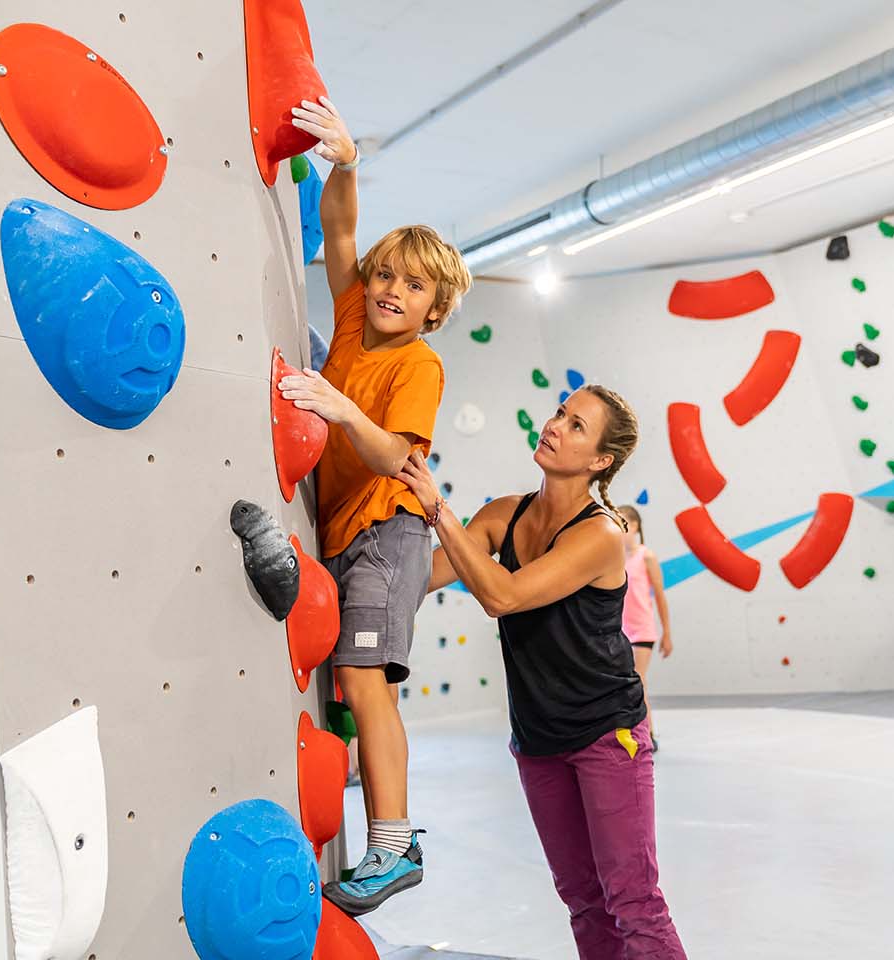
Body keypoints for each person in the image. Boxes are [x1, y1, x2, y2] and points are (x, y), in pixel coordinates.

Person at [397, 386, 688, 959]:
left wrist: (438, 507)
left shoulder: (602, 533)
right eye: (560, 414)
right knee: (581, 898)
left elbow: (502, 595)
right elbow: (416, 580)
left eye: (576, 426)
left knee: (634, 903)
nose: (555, 426)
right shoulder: (503, 516)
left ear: (600, 461)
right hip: (537, 740)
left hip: (608, 735)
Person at [281, 96, 471, 916]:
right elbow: (342, 231)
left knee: (365, 680)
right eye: (389, 275)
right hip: (341, 534)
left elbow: (399, 454)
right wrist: (347, 163)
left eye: (413, 284)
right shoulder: (355, 320)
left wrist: (336, 407)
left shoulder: (419, 365)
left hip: (386, 537)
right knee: (346, 691)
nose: (391, 288)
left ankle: (393, 847)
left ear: (436, 307)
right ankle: (369, 836)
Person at [617, 505, 672, 751]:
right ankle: (628, 730)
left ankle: (647, 731)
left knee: (638, 680)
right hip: (620, 630)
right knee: (623, 684)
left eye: (624, 523)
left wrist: (667, 633)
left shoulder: (645, 556)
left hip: (642, 629)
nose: (620, 529)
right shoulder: (615, 559)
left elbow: (659, 596)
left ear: (635, 526)